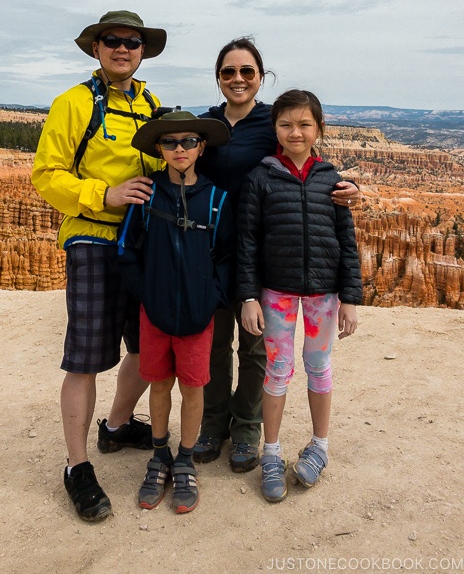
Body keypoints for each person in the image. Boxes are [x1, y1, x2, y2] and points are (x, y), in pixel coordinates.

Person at [195, 38, 360, 474]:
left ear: (260, 77)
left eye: (247, 71)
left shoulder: (271, 122)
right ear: (218, 77)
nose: (237, 79)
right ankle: (213, 424)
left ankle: (248, 427)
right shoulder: (206, 125)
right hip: (211, 248)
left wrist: (344, 188)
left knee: (254, 349)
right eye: (228, 72)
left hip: (265, 253)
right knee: (213, 342)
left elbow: (305, 150)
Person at [31, 10, 167, 523]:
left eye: (133, 42)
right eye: (113, 40)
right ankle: (77, 466)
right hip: (92, 237)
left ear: (141, 51)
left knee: (145, 345)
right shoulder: (73, 104)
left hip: (142, 243)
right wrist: (103, 195)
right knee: (85, 355)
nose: (123, 48)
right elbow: (46, 176)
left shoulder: (151, 105)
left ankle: (114, 427)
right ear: (96, 48)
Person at [237, 89, 362, 502]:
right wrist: (248, 297)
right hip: (276, 294)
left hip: (324, 295)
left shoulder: (333, 179)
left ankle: (319, 447)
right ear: (275, 128)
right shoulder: (261, 178)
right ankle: (271, 453)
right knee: (278, 370)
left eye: (304, 124)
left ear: (319, 128)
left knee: (319, 366)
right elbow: (248, 243)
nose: (296, 131)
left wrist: (350, 297)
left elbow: (347, 240)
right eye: (286, 124)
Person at [118, 111, 234, 513]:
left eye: (188, 141)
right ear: (159, 149)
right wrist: (147, 293)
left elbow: (226, 256)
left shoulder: (218, 200)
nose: (180, 148)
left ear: (202, 147)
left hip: (198, 317)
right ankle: (159, 453)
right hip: (156, 313)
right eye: (170, 142)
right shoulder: (147, 195)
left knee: (193, 387)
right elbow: (126, 250)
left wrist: (211, 296)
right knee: (160, 384)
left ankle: (185, 458)